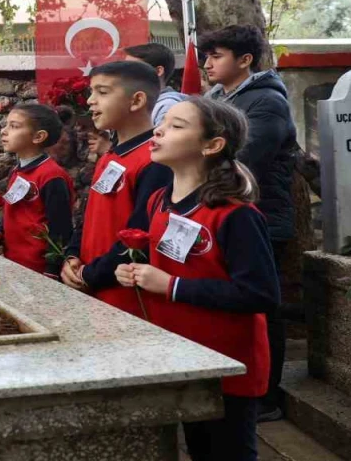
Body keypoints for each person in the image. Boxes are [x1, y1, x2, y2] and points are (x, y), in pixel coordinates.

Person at [115, 97, 280, 461]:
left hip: (228, 362)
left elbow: (261, 294)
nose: (158, 130)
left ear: (212, 145)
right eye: (162, 123)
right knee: (198, 448)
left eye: (177, 126)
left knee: (228, 452)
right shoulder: (159, 200)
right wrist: (132, 270)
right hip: (181, 355)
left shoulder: (234, 214)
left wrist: (171, 286)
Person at [199, 24, 297, 422]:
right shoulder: (217, 98)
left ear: (245, 60)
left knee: (262, 309)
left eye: (216, 56)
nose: (208, 64)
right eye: (207, 56)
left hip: (260, 218)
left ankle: (266, 396)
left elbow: (246, 159)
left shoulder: (266, 102)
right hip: (222, 214)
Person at [60, 61, 172, 314]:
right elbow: (90, 216)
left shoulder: (155, 161)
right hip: (93, 286)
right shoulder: (110, 156)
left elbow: (141, 236)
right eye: (91, 92)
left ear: (136, 101)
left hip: (127, 298)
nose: (90, 100)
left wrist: (92, 273)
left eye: (102, 92)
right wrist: (73, 255)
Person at [0, 103, 75, 277]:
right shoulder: (17, 170)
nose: (3, 131)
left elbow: (61, 229)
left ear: (38, 136)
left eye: (14, 126)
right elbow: (14, 212)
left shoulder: (52, 176)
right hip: (15, 262)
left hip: (38, 269)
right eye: (6, 124)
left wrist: (52, 270)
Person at [125, 42, 187, 125]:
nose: (125, 73)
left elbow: (163, 138)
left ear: (158, 71)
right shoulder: (132, 103)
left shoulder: (168, 106)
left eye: (133, 68)